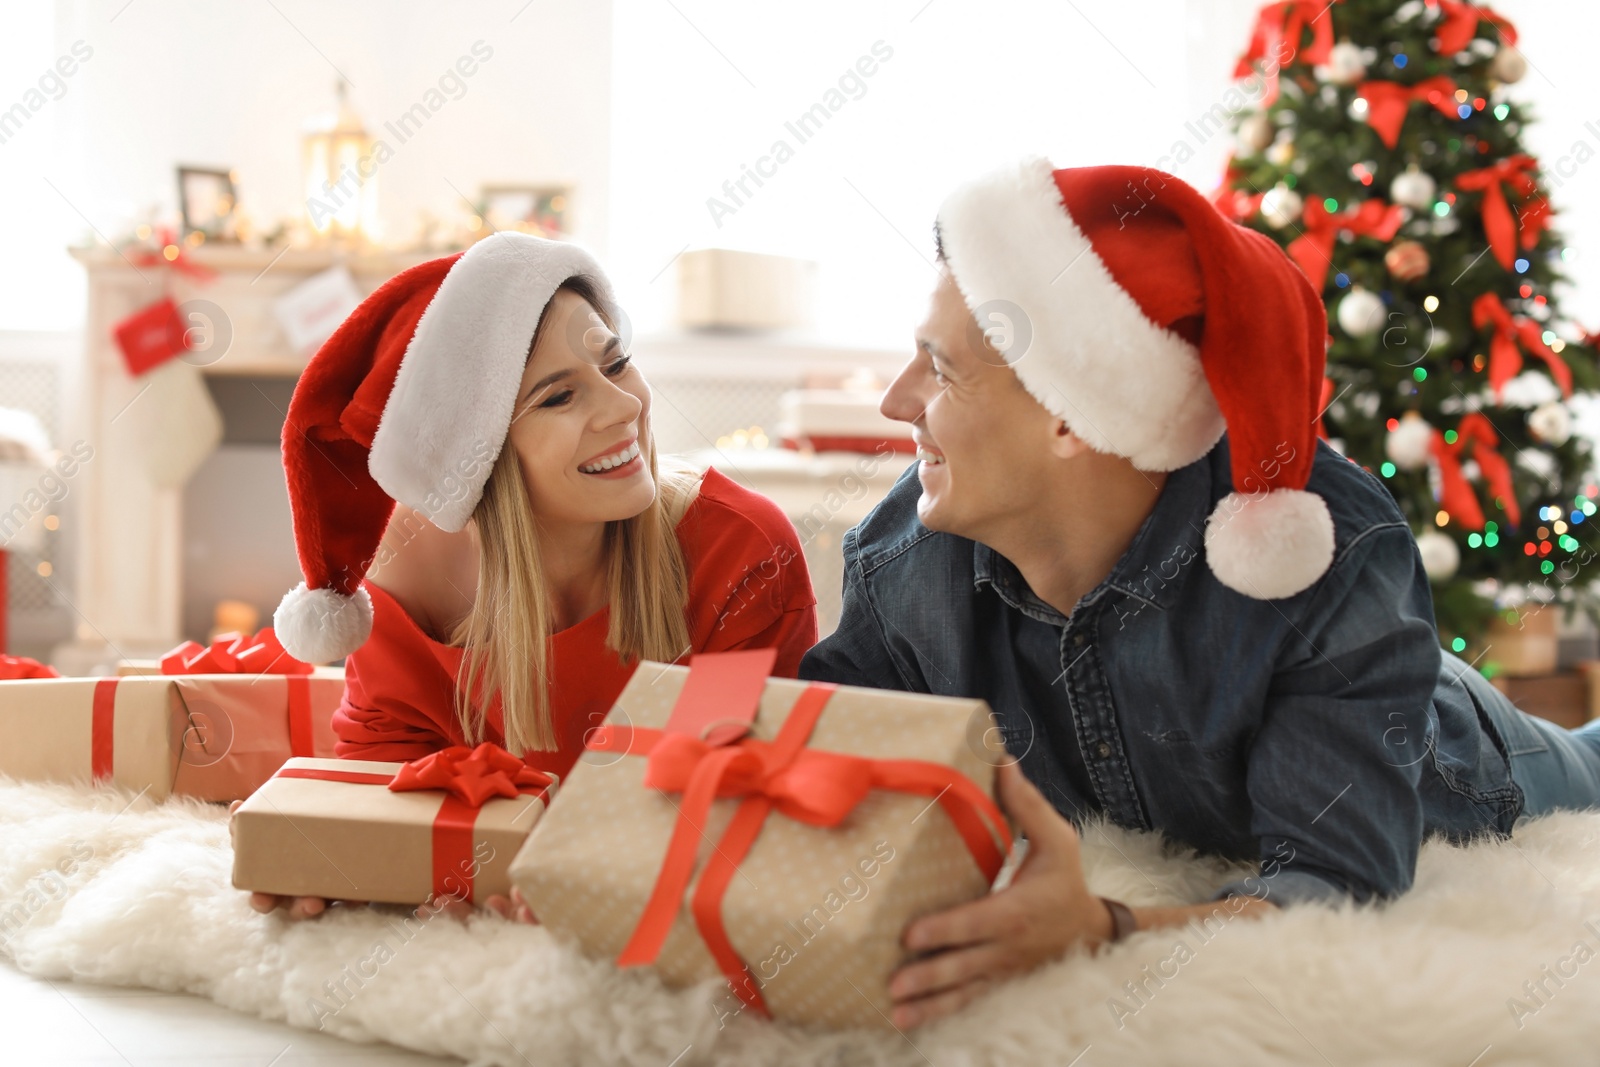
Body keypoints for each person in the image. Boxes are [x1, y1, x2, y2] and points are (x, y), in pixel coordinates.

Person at [798, 158, 1600, 1029]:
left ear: (1070, 413)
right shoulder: (902, 558)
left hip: (1462, 758)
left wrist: (1107, 926)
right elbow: (823, 770)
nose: (890, 402)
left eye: (941, 372)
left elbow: (1335, 881)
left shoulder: (1321, 547)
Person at [246, 233, 818, 920]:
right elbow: (385, 785)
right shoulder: (403, 584)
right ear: (475, 459)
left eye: (617, 363)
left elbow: (720, 799)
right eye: (558, 398)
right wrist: (343, 862)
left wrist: (579, 881)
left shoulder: (742, 554)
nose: (623, 407)